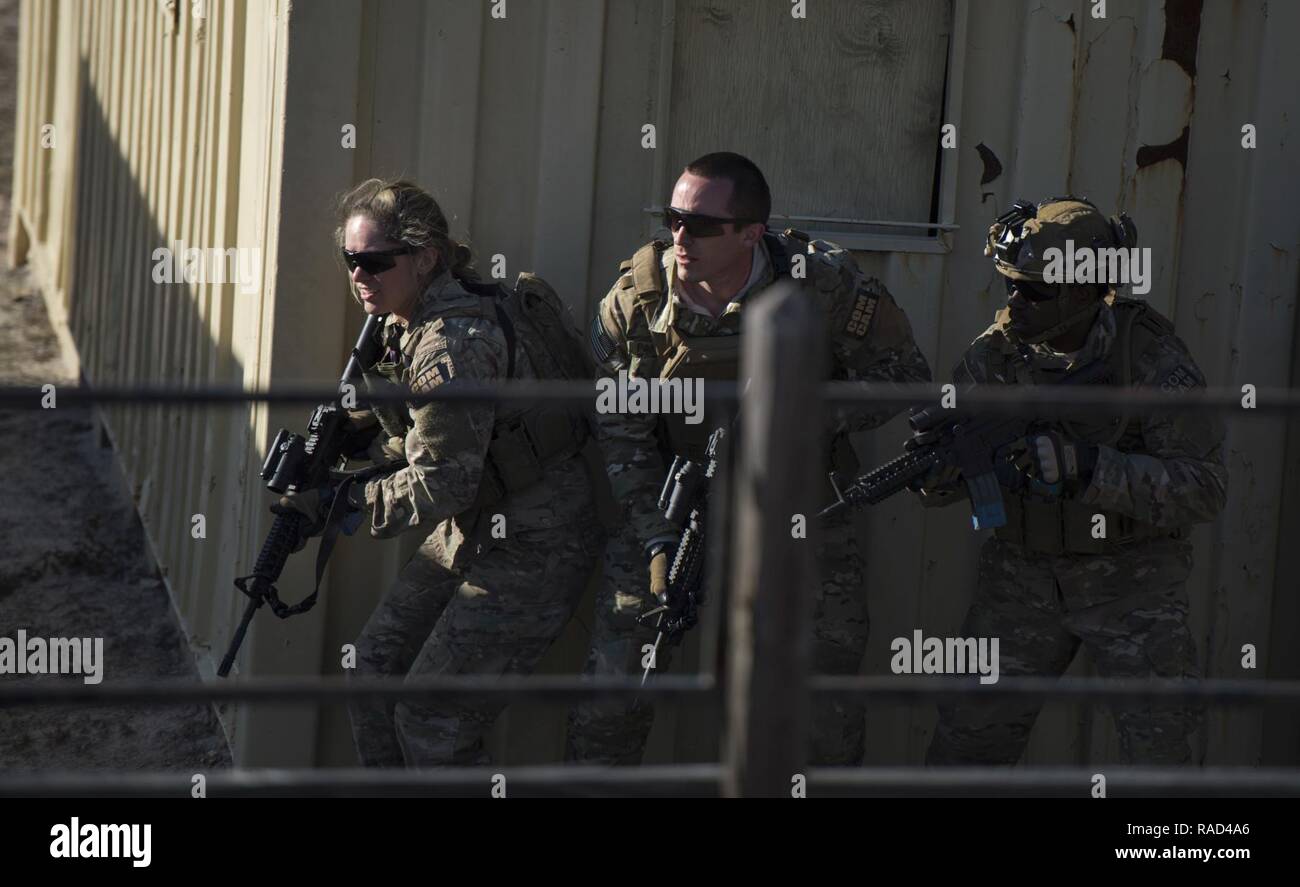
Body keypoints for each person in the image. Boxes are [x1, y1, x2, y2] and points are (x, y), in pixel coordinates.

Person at [566, 151, 932, 765]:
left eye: (703, 225)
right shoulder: (637, 300)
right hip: (674, 503)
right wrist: (657, 540)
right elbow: (621, 432)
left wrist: (796, 419)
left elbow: (905, 376)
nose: (681, 237)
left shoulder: (824, 283)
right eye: (673, 218)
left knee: (821, 700)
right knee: (614, 694)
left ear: (751, 233)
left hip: (798, 505)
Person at [278, 178, 601, 767]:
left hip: (537, 541)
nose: (359, 276)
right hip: (474, 529)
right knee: (371, 675)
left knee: (431, 719)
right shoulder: (403, 321)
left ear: (425, 258)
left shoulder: (454, 343)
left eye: (375, 261)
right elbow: (424, 430)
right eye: (350, 260)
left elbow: (442, 480)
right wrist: (350, 435)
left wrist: (344, 501)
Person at [917, 196, 1228, 765]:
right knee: (968, 741)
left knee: (1159, 751)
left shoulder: (1151, 361)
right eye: (1010, 283)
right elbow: (955, 485)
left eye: (1034, 290)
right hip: (1020, 579)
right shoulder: (994, 356)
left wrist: (1089, 468)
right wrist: (939, 470)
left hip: (1132, 582)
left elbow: (1204, 487)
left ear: (1083, 292)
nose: (1015, 300)